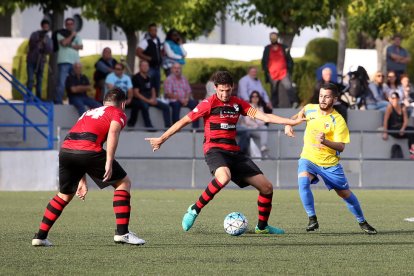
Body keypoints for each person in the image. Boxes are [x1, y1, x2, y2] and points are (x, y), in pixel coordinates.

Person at [145, 71, 305, 234]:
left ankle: (262, 227)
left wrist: (291, 121)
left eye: (228, 90)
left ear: (232, 88)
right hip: (214, 150)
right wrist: (162, 139)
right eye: (221, 90)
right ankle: (194, 209)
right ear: (215, 88)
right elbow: (183, 121)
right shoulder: (208, 103)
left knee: (267, 188)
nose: (224, 94)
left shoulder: (238, 104)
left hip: (234, 153)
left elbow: (265, 117)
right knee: (224, 177)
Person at [32, 88, 146, 246]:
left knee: (64, 195)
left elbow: (80, 138)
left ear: (104, 102)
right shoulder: (118, 112)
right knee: (123, 183)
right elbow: (113, 133)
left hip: (66, 151)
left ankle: (40, 236)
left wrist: (82, 180)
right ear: (123, 104)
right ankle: (122, 233)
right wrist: (109, 160)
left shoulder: (89, 112)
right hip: (88, 150)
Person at [284, 83, 377, 234]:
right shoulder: (310, 108)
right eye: (321, 96)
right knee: (303, 181)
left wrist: (325, 141)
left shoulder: (338, 120)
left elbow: (341, 147)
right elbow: (297, 116)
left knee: (345, 194)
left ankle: (362, 222)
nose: (323, 99)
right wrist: (288, 124)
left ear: (334, 99)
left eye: (327, 97)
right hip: (309, 158)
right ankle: (312, 219)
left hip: (329, 163)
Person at [128, 60, 171, 129]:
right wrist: (148, 101)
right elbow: (136, 93)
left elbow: (153, 89)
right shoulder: (136, 77)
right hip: (140, 99)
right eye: (143, 66)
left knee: (166, 107)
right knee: (144, 106)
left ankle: (168, 126)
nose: (145, 67)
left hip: (150, 98)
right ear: (140, 67)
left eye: (147, 66)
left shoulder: (149, 77)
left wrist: (153, 98)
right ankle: (148, 126)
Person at [261, 32, 298, 108]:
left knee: (289, 87)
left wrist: (289, 69)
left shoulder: (284, 47)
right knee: (274, 90)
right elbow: (264, 60)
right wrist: (265, 70)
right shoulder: (267, 48)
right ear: (270, 38)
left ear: (277, 38)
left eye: (274, 37)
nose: (273, 38)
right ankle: (274, 105)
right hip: (272, 73)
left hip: (283, 72)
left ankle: (294, 102)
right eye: (272, 37)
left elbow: (289, 59)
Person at [55, 17, 83, 104]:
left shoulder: (77, 36)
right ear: (65, 25)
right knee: (62, 83)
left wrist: (69, 44)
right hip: (64, 61)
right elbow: (63, 44)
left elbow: (81, 47)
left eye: (71, 24)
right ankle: (58, 101)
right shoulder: (60, 34)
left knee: (73, 83)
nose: (70, 25)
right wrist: (72, 36)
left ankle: (73, 100)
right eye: (68, 24)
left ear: (73, 25)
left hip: (75, 62)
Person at [164, 62, 199, 128]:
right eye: (175, 68)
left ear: (181, 69)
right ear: (172, 69)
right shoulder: (169, 79)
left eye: (178, 68)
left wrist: (187, 99)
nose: (177, 70)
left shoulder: (184, 78)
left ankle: (195, 128)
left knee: (195, 104)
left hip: (185, 99)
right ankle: (176, 128)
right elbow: (168, 93)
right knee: (176, 105)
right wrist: (181, 100)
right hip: (174, 100)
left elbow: (188, 91)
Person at [26, 19, 53, 99]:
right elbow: (31, 44)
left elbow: (49, 50)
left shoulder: (48, 38)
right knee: (30, 80)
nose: (45, 28)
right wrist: (39, 40)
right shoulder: (34, 34)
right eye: (44, 26)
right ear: (42, 26)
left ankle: (38, 98)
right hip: (31, 60)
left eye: (47, 27)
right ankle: (28, 97)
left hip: (41, 62)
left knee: (39, 81)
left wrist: (45, 43)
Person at [382, 92, 414, 159]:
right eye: (392, 98)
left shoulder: (403, 107)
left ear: (398, 99)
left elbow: (405, 121)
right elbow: (385, 120)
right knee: (411, 133)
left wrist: (402, 128)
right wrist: (385, 132)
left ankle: (412, 152)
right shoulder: (390, 107)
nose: (393, 100)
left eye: (395, 98)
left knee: (412, 131)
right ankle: (412, 153)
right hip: (393, 129)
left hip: (401, 128)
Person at [240, 91, 269, 158]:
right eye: (253, 96)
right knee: (262, 128)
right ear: (251, 98)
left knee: (264, 128)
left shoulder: (260, 108)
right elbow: (247, 121)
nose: (255, 98)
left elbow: (264, 120)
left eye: (256, 96)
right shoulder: (248, 106)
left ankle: (263, 147)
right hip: (248, 129)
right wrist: (257, 123)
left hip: (256, 128)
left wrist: (256, 121)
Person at [136, 23, 163, 97]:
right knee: (149, 84)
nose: (154, 32)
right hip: (149, 67)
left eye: (155, 30)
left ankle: (156, 99)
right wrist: (148, 58)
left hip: (157, 67)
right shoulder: (145, 41)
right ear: (149, 31)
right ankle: (148, 99)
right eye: (152, 30)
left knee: (157, 84)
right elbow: (138, 52)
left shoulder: (157, 40)